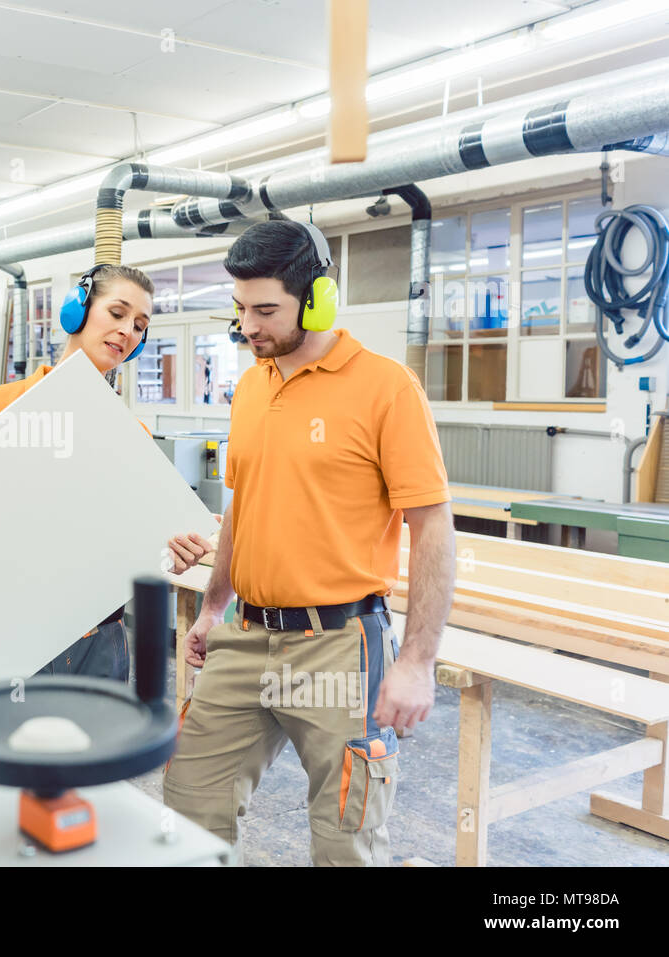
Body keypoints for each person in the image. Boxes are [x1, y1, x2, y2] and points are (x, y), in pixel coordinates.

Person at [162, 220, 456, 866]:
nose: (247, 327)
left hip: (338, 647)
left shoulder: (386, 389)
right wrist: (213, 606)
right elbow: (242, 506)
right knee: (185, 811)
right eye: (239, 309)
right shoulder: (251, 387)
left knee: (346, 835)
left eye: (265, 310)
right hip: (243, 637)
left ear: (318, 298)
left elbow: (433, 526)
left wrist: (417, 660)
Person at [0, 263, 214, 682]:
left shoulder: (132, 435)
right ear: (77, 311)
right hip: (9, 629)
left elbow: (137, 553)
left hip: (99, 638)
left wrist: (171, 555)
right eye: (117, 313)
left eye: (139, 325)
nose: (128, 331)